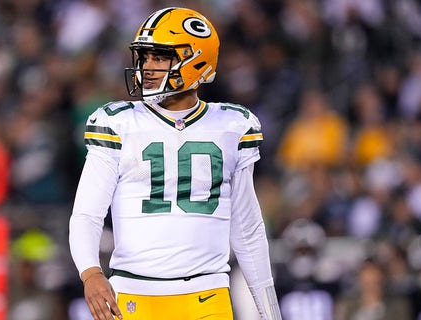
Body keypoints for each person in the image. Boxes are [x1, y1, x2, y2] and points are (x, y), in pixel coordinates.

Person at [68, 7, 282, 320]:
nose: (148, 68)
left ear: (196, 59)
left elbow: (247, 229)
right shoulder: (117, 123)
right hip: (132, 296)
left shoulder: (232, 125)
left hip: (207, 297)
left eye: (159, 58)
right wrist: (90, 273)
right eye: (145, 58)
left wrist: (269, 311)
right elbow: (87, 213)